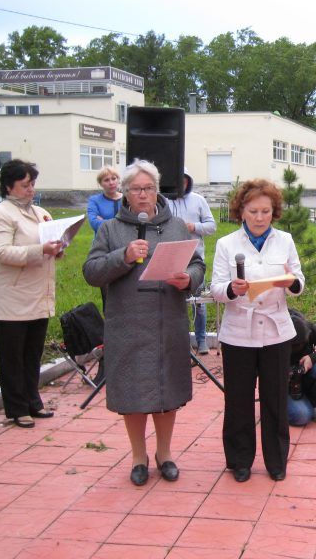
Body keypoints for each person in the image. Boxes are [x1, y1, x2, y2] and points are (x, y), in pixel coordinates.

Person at [83, 159, 204, 486]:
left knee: (167, 392)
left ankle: (164, 454)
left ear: (156, 190)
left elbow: (197, 265)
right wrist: (122, 256)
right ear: (124, 192)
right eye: (136, 189)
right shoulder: (110, 229)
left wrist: (188, 279)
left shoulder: (177, 225)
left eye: (148, 188)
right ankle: (139, 457)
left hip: (168, 323)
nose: (142, 195)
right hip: (128, 324)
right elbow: (91, 272)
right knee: (133, 394)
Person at [210, 178, 304, 483]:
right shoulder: (227, 245)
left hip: (276, 332)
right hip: (239, 333)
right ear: (241, 212)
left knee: (275, 398)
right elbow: (216, 289)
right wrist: (232, 290)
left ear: (274, 211)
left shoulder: (285, 240)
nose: (260, 218)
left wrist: (291, 282)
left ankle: (276, 461)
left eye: (265, 211)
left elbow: (299, 281)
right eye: (253, 212)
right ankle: (239, 460)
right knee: (238, 399)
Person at [0, 159, 64, 428]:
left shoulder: (40, 212)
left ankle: (33, 401)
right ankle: (16, 408)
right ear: (8, 186)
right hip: (10, 297)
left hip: (37, 294)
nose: (31, 189)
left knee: (32, 353)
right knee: (12, 355)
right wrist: (42, 250)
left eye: (32, 184)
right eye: (25, 185)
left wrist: (57, 248)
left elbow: (47, 245)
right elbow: (1, 252)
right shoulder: (0, 214)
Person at [168, 168, 216, 355]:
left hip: (196, 261)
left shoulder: (198, 200)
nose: (181, 184)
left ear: (189, 181)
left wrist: (193, 226)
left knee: (199, 303)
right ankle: (181, 342)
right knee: (176, 305)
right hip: (170, 260)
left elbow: (212, 226)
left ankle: (201, 340)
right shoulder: (162, 201)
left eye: (185, 181)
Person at [87, 166, 122, 232]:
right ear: (100, 184)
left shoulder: (127, 199)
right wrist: (121, 224)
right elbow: (94, 224)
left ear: (118, 180)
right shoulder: (94, 201)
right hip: (102, 241)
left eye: (114, 178)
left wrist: (103, 221)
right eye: (106, 180)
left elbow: (132, 223)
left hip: (124, 241)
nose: (111, 183)